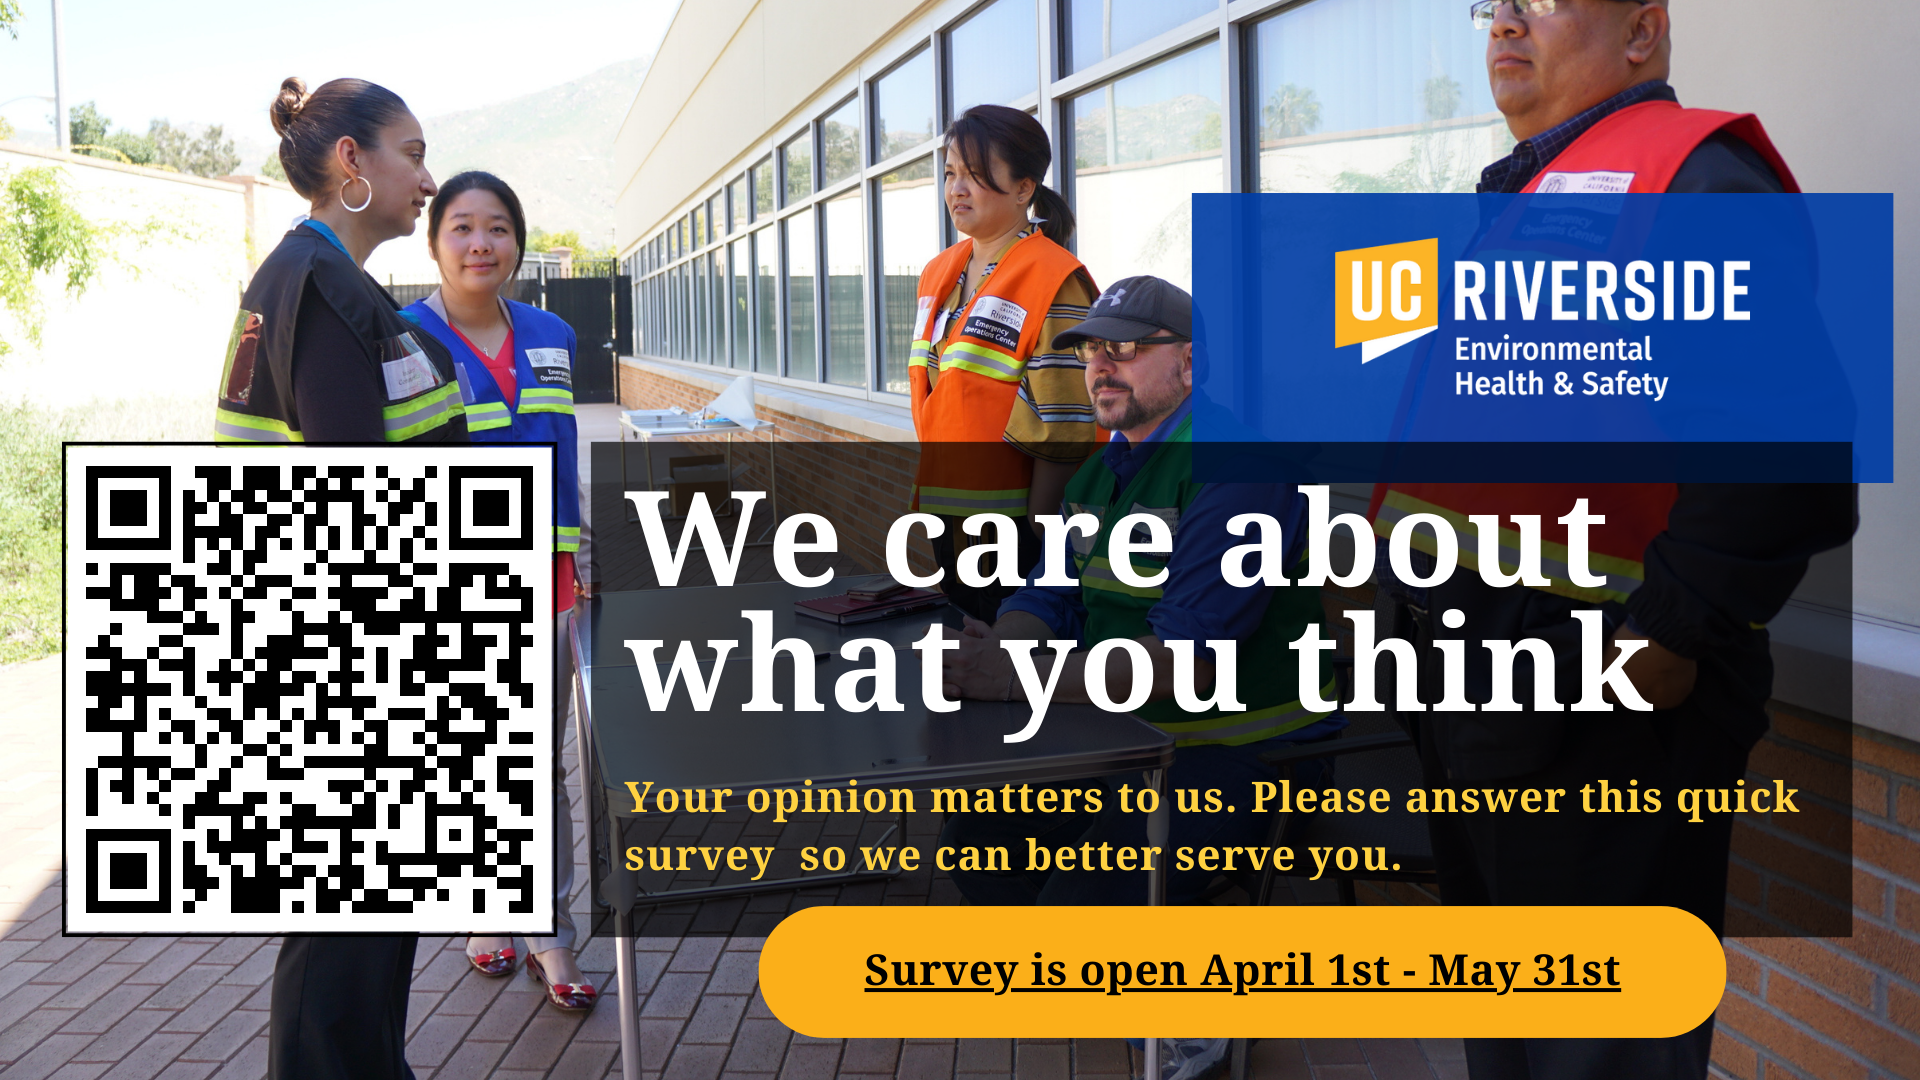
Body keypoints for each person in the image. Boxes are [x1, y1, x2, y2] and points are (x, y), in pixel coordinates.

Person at [1368, 4, 1858, 1078]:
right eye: (1491, 1)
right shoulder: (1530, 195)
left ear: (1642, 34)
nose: (1504, 18)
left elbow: (1792, 449)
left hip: (1600, 707)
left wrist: (1671, 632)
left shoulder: (1690, 177)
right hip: (1483, 692)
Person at [940, 276, 1344, 1080]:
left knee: (1083, 904)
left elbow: (1186, 662)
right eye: (1092, 348)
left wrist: (1012, 676)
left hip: (1246, 758)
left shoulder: (1239, 472)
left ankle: (1195, 1021)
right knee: (983, 832)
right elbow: (1043, 596)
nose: (1101, 365)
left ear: (1190, 365)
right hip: (1131, 740)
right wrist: (1000, 651)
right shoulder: (1101, 473)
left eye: (1126, 348)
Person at [229, 76, 463, 1080]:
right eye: (410, 152)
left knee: (363, 931)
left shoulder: (323, 278)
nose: (427, 175)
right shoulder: (323, 288)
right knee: (349, 928)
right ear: (351, 164)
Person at [402, 171, 594, 1013]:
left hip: (547, 581)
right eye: (462, 228)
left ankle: (550, 932)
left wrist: (588, 553)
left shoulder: (552, 331)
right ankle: (485, 917)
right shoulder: (399, 336)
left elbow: (563, 443)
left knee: (540, 765)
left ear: (517, 240)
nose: (481, 244)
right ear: (435, 241)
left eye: (498, 228)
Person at [909, 105, 1104, 621]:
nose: (956, 189)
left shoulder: (1052, 277)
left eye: (975, 176)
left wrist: (1042, 547)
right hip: (949, 524)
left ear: (1024, 189)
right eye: (950, 174)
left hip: (1018, 536)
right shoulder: (939, 275)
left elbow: (1066, 425)